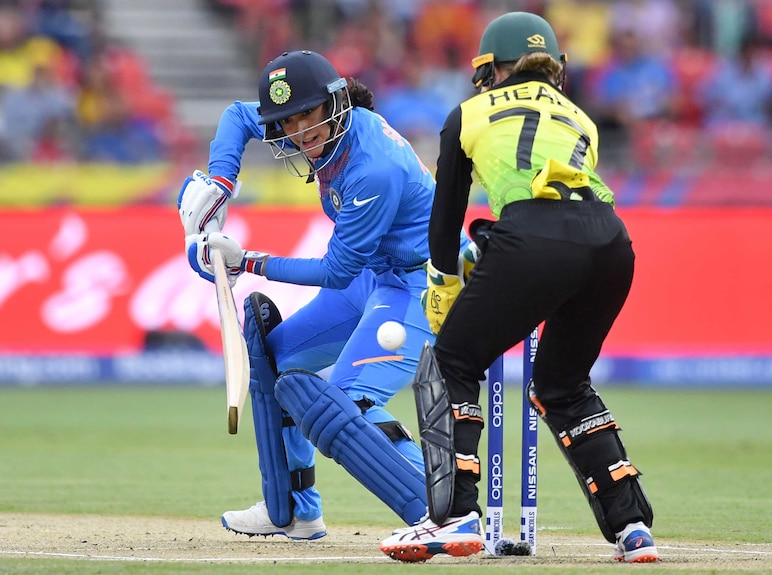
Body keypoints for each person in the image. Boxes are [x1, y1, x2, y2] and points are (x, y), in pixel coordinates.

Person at [380, 12, 658, 563]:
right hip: (611, 243)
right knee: (562, 384)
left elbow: (448, 215)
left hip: (532, 237)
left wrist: (442, 278)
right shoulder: (581, 117)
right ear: (554, 69)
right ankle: (633, 528)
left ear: (490, 70)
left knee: (451, 364)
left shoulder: (468, 113)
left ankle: (454, 517)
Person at [177, 50, 468, 540]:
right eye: (287, 121)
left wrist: (246, 262)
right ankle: (293, 511)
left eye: (308, 115)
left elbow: (336, 271)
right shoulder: (315, 133)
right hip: (377, 274)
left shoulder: (371, 169)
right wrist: (222, 182)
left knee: (348, 402)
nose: (299, 132)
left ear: (335, 103)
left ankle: (451, 513)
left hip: (424, 283)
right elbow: (236, 116)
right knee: (278, 360)